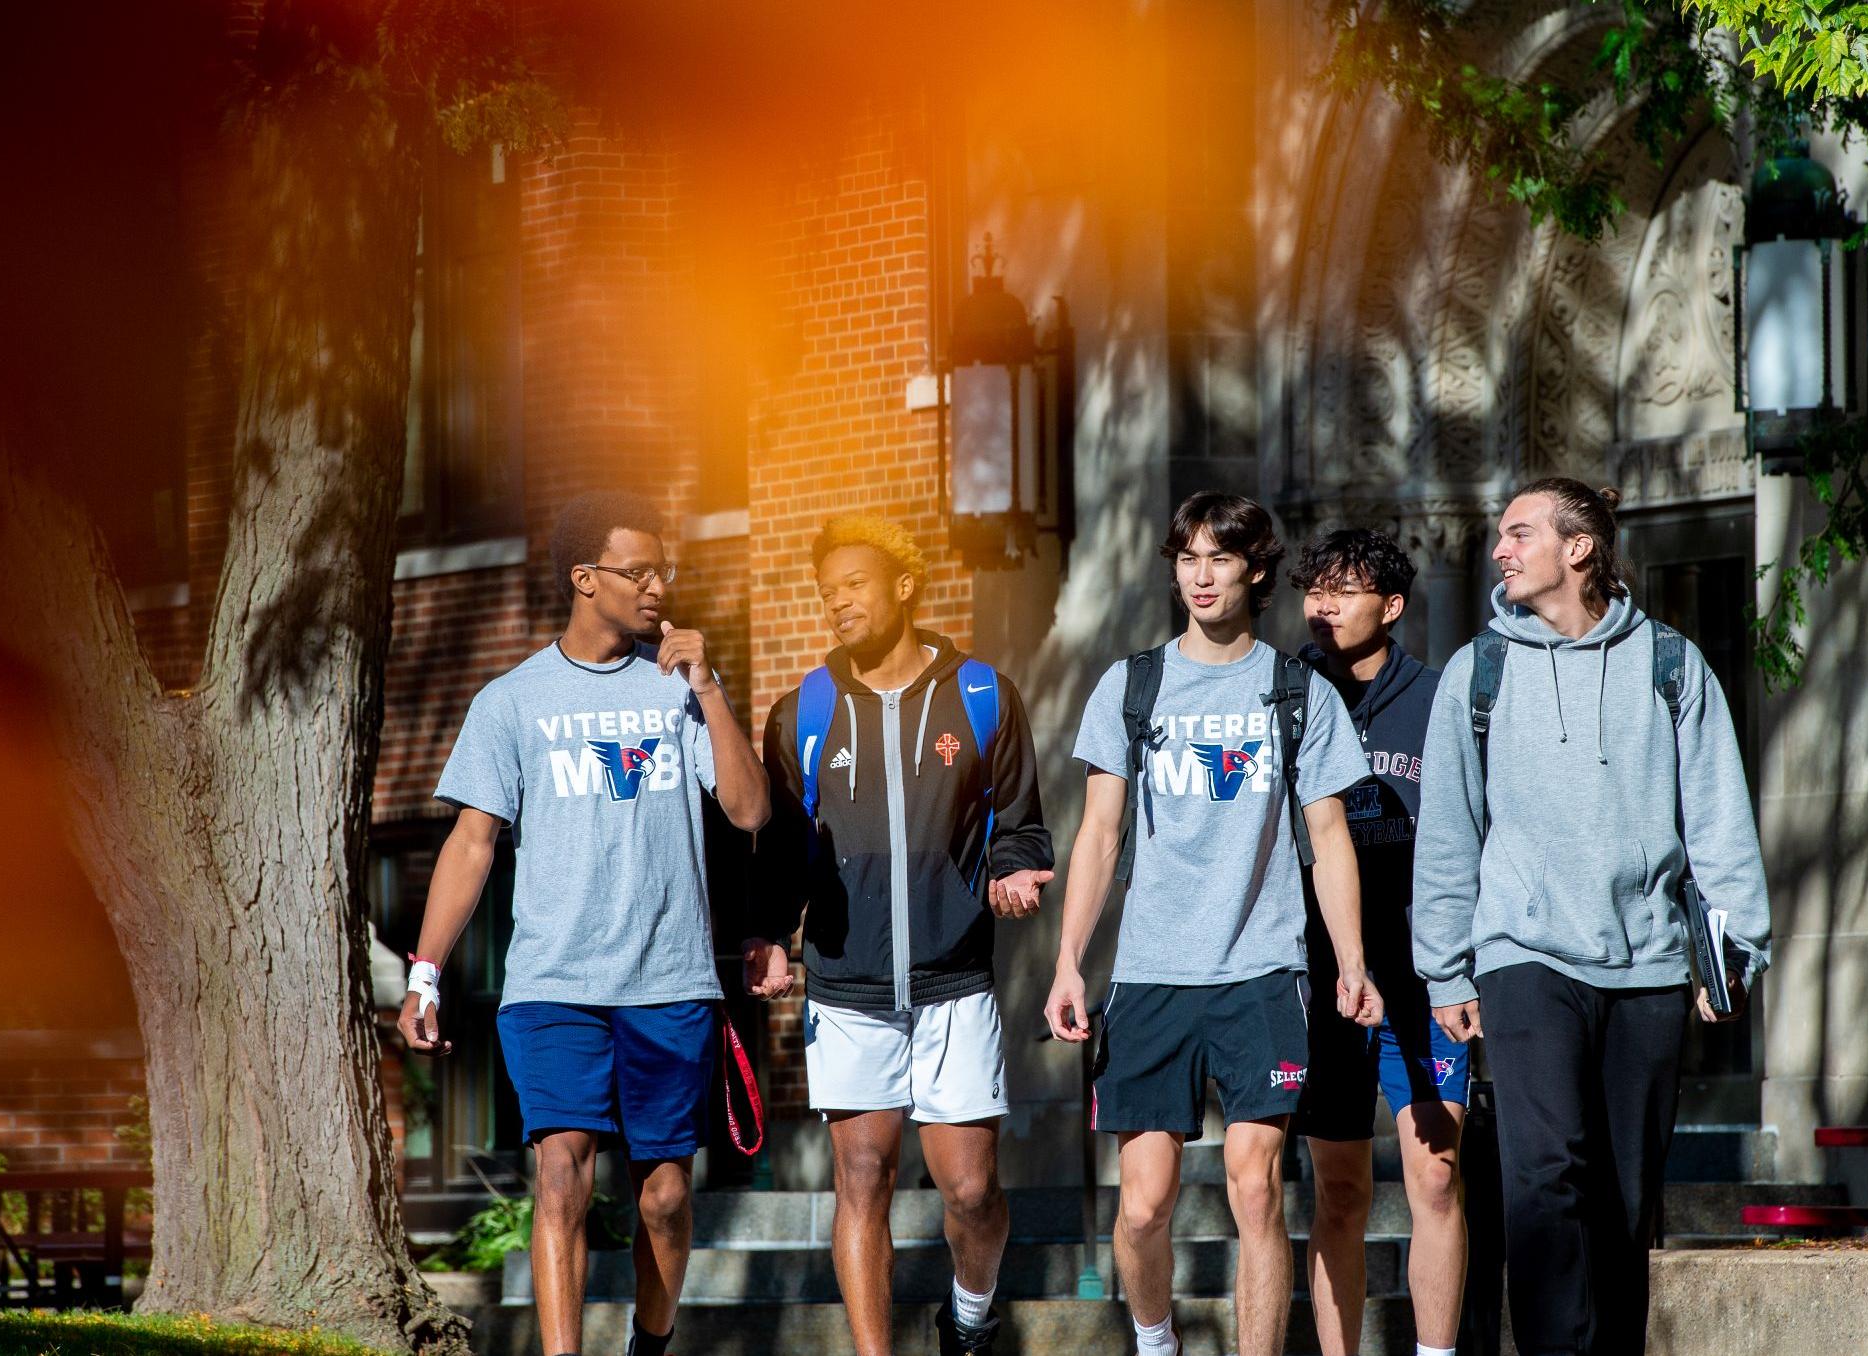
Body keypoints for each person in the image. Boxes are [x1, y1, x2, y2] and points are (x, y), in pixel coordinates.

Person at [399, 491, 771, 1356]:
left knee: (665, 1197)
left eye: (662, 569)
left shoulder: (678, 692)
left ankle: (650, 1339)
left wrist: (708, 688)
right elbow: (471, 846)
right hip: (552, 985)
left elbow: (750, 813)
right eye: (637, 570)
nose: (656, 586)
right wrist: (425, 973)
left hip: (668, 982)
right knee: (561, 1175)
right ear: (583, 577)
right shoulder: (511, 701)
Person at [1411, 479, 1770, 1356]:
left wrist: (1734, 949)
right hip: (1522, 954)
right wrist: (1444, 967)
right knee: (1541, 1176)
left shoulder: (1671, 664)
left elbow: (1717, 816)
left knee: (1624, 1192)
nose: (1499, 550)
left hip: (1646, 962)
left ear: (1578, 547)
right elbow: (1449, 829)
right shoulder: (1478, 670)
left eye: (1517, 533)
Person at [1045, 491, 1383, 1356]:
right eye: (1186, 557)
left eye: (1218, 558)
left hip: (1262, 975)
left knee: (1255, 1188)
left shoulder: (1296, 690)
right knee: (1143, 1204)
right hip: (1152, 975)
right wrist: (1068, 962)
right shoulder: (1133, 684)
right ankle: (1156, 1340)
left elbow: (1329, 837)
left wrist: (1350, 961)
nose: (1199, 575)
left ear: (1255, 569)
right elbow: (1099, 834)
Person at [745, 513, 1054, 1356]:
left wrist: (1015, 870)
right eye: (826, 592)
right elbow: (782, 854)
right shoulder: (800, 712)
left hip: (956, 979)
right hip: (847, 988)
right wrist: (771, 934)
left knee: (970, 1190)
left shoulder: (982, 694)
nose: (836, 602)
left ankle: (966, 1317)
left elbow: (1021, 823)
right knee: (862, 1177)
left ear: (903, 587)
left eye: (853, 585)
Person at [1288, 529, 1467, 1356]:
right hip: (1320, 977)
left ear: (1390, 608)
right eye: (1312, 589)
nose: (1321, 607)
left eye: (1343, 590)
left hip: (1421, 968)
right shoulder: (1282, 695)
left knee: (1434, 1173)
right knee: (1339, 1190)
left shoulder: (1440, 699)